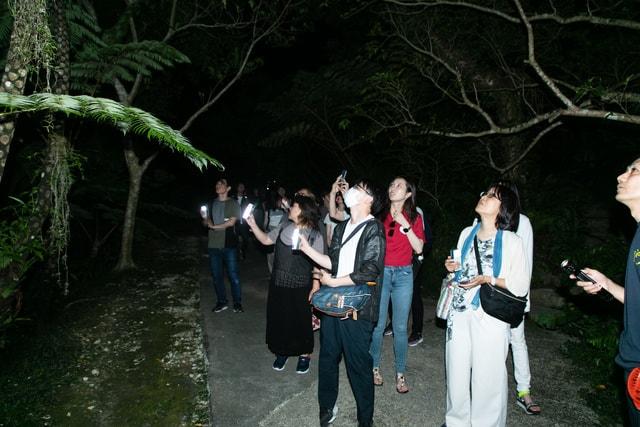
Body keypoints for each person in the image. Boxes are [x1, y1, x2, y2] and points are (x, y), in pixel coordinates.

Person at [299, 178, 385, 427]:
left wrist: (334, 282)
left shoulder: (374, 229)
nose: (352, 190)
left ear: (368, 199)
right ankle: (326, 407)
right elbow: (333, 262)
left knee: (358, 366)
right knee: (327, 358)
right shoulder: (341, 228)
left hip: (358, 309)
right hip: (334, 305)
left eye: (358, 188)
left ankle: (365, 420)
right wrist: (306, 249)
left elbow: (370, 269)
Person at [443, 183, 529, 427]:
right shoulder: (466, 233)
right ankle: (456, 422)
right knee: (456, 375)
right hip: (459, 313)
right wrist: (451, 268)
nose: (484, 197)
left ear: (503, 208)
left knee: (488, 379)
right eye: (485, 193)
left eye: (492, 196)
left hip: (490, 316)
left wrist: (487, 279)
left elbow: (520, 285)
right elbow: (458, 271)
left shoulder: (512, 241)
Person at [571, 159, 640, 426]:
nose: (621, 176)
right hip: (632, 363)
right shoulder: (638, 235)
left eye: (634, 171)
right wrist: (608, 284)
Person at [246, 195, 325, 374]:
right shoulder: (283, 227)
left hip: (301, 286)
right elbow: (266, 240)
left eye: (294, 206)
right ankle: (282, 350)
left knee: (301, 320)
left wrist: (315, 285)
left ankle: (304, 354)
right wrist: (253, 225)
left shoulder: (315, 235)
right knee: (280, 318)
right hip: (279, 284)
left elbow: (318, 264)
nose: (290, 208)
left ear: (302, 210)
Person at [370, 177, 425, 394]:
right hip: (382, 273)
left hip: (404, 274)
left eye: (399, 185)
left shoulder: (415, 217)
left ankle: (400, 374)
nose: (393, 188)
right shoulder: (380, 214)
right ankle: (373, 367)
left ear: (408, 193)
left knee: (401, 328)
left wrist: (405, 224)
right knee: (378, 324)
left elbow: (419, 248)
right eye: (391, 184)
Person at [202, 178, 243, 313]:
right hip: (213, 244)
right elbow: (206, 221)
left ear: (228, 188)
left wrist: (214, 227)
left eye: (221, 184)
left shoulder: (233, 203)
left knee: (233, 275)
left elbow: (231, 222)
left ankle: (237, 303)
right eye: (217, 184)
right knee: (216, 276)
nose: (218, 185)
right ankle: (222, 302)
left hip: (229, 244)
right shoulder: (211, 203)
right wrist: (205, 220)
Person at [234, 182, 251, 260]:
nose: (241, 188)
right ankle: (237, 253)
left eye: (243, 186)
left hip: (244, 223)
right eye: (240, 186)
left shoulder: (246, 199)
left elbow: (250, 209)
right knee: (235, 239)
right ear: (237, 188)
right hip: (235, 222)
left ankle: (243, 251)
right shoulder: (233, 198)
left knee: (246, 239)